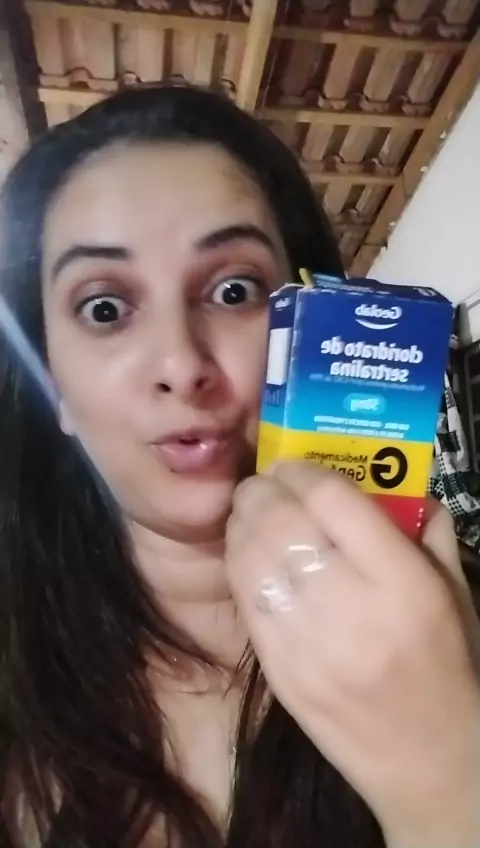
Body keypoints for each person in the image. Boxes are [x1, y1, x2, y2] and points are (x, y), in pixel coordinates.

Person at [0, 84, 478, 848]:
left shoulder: (459, 620)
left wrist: (449, 779)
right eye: (104, 308)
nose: (181, 365)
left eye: (234, 290)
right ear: (54, 383)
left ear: (313, 321)